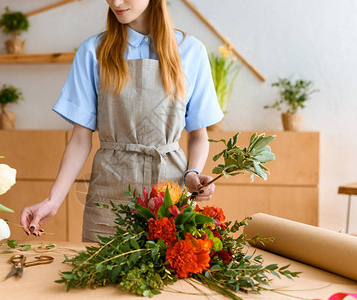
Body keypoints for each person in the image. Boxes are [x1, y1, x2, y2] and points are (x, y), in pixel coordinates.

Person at [20, 0, 224, 242]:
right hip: (108, 191)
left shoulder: (191, 50)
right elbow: (80, 139)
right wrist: (53, 201)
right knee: (101, 274)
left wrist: (193, 173)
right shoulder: (93, 51)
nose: (116, 2)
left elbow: (199, 135)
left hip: (169, 192)